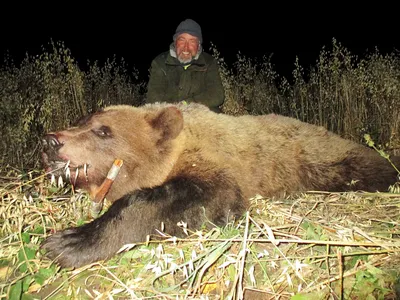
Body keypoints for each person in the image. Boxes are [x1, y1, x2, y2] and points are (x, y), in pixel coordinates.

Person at [145, 18, 225, 113]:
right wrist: (175, 110)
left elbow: (217, 95)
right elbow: (153, 98)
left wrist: (187, 104)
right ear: (175, 42)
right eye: (182, 40)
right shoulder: (159, 62)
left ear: (198, 45)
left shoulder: (209, 62)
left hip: (199, 113)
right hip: (169, 115)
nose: (186, 47)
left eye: (192, 41)